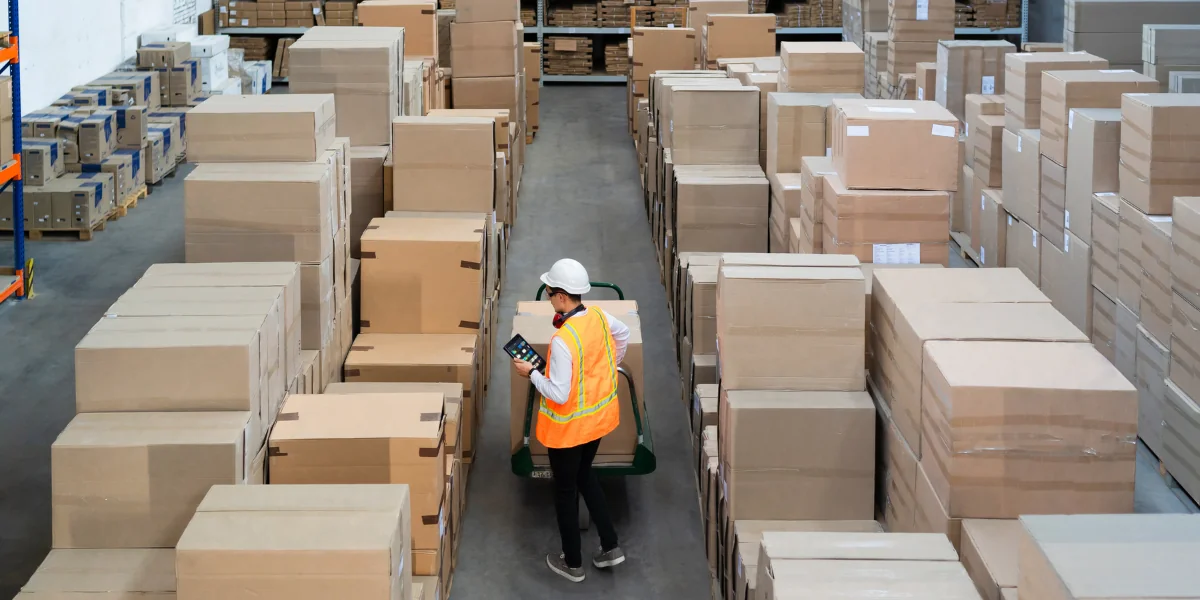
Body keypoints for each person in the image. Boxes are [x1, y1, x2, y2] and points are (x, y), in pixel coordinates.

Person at [513, 258, 630, 583]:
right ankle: (610, 546)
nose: (549, 298)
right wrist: (608, 367)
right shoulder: (598, 316)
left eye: (550, 293)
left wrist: (531, 372)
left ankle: (573, 563)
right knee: (585, 477)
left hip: (568, 433)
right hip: (596, 423)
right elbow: (623, 334)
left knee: (565, 491)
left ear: (563, 296)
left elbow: (559, 394)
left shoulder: (564, 341)